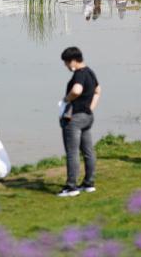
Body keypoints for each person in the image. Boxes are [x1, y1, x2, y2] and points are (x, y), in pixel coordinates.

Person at [58, 47, 101, 197]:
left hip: (74, 118)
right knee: (88, 151)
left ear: (74, 61)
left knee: (72, 152)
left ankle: (71, 187)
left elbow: (77, 90)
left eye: (66, 63)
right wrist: (90, 108)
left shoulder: (79, 74)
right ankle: (89, 183)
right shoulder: (90, 72)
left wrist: (65, 99)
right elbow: (98, 91)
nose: (66, 66)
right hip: (87, 117)